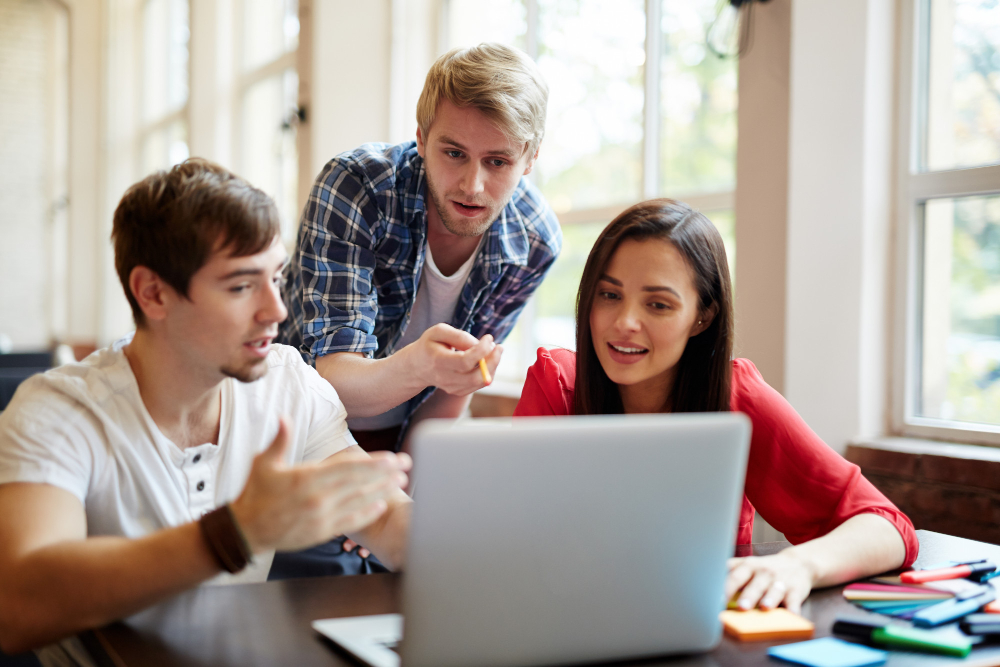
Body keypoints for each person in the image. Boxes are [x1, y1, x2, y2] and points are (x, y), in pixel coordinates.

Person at [0, 160, 413, 663]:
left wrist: (478, 550)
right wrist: (235, 533)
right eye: (241, 286)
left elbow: (386, 518)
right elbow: (18, 608)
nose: (277, 311)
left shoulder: (289, 380)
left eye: (276, 278)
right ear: (153, 293)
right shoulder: (57, 412)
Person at [513, 199, 918, 613]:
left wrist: (799, 565)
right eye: (609, 294)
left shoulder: (736, 400)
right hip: (566, 620)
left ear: (702, 317)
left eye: (658, 304)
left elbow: (889, 528)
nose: (624, 322)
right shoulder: (556, 386)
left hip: (701, 632)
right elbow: (504, 538)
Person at [278, 42, 562, 452]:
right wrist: (421, 366)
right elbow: (332, 381)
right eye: (453, 153)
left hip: (403, 431)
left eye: (497, 162)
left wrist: (413, 482)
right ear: (421, 138)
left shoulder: (534, 240)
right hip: (290, 423)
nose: (472, 185)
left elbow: (450, 393)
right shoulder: (357, 187)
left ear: (530, 158)